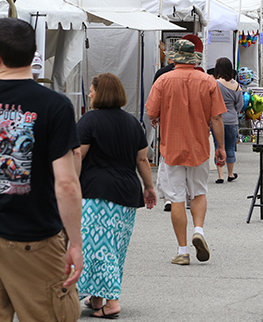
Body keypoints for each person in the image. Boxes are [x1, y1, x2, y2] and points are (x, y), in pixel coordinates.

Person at [0, 18, 83, 322]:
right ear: (34, 51)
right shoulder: (54, 105)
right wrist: (75, 242)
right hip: (33, 237)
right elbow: (66, 184)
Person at [77, 73, 157, 319]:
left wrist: (68, 185)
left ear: (100, 93)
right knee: (114, 247)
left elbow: (77, 156)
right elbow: (142, 159)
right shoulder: (132, 122)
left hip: (97, 192)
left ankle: (112, 302)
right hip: (126, 192)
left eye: (91, 90)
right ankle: (98, 298)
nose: (89, 94)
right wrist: (149, 187)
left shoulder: (89, 121)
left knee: (98, 248)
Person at [145, 39, 226, 265]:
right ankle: (198, 230)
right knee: (199, 192)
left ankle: (182, 251)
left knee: (176, 198)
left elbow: (151, 112)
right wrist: (220, 147)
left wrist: (158, 118)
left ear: (174, 58)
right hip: (199, 146)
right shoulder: (208, 81)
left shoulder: (163, 80)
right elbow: (217, 117)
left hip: (171, 147)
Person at [212, 58, 244, 184]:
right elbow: (240, 105)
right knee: (230, 147)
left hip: (217, 119)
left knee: (218, 146)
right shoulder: (236, 86)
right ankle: (230, 174)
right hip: (232, 120)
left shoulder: (214, 84)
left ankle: (220, 175)